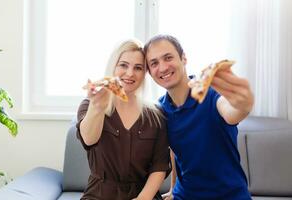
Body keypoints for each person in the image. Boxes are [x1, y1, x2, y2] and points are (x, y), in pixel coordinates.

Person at [144, 34, 254, 200]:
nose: (163, 67)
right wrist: (173, 187)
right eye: (154, 63)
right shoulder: (161, 110)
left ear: (184, 58)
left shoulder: (211, 94)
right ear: (150, 72)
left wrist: (243, 104)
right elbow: (174, 150)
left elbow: (231, 112)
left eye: (168, 58)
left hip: (230, 195)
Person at [76, 39, 171, 200]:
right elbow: (89, 139)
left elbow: (159, 166)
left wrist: (142, 198)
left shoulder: (156, 115)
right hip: (99, 195)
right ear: (113, 66)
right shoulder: (90, 105)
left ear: (145, 73)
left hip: (144, 196)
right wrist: (97, 107)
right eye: (123, 65)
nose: (130, 73)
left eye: (138, 68)